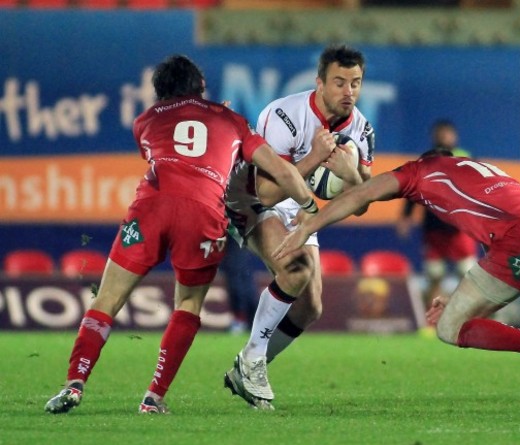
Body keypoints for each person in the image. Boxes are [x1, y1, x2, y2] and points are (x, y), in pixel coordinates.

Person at [44, 54, 319, 415]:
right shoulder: (233, 120)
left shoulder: (144, 120)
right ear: (201, 87)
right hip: (204, 212)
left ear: (159, 93)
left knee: (106, 300)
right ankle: (153, 398)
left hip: (152, 209)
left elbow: (159, 153)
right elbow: (281, 171)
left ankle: (74, 384)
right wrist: (309, 208)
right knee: (188, 305)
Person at [274, 148, 520, 411]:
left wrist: (309, 226)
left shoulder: (419, 172)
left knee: (450, 328)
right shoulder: (478, 169)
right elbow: (494, 251)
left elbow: (361, 197)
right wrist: (459, 300)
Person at [223, 44, 374, 410]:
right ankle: (253, 360)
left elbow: (362, 204)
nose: (348, 92)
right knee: (296, 270)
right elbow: (267, 190)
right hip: (250, 199)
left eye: (355, 83)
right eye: (339, 82)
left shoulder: (362, 128)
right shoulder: (283, 115)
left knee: (310, 307)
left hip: (298, 201)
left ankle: (249, 364)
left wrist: (350, 175)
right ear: (319, 82)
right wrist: (314, 158)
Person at [396, 120, 476, 303]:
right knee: (434, 274)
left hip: (460, 227)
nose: (444, 136)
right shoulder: (426, 160)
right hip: (433, 227)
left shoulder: (465, 158)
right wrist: (406, 217)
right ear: (434, 136)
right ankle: (428, 321)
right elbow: (413, 188)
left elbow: (478, 191)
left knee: (467, 273)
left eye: (447, 133)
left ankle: (468, 317)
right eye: (440, 133)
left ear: (454, 136)